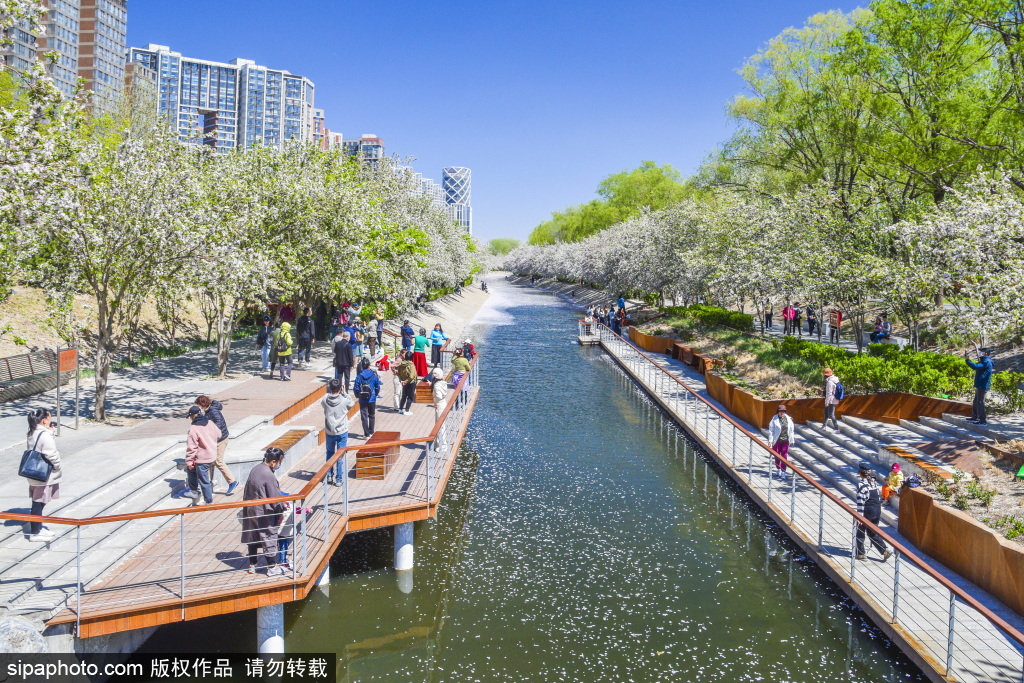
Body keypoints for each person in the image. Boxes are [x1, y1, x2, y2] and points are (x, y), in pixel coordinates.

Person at [242, 448, 288, 576]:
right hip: (264, 511)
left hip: (251, 509)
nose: (279, 464)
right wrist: (281, 512)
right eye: (279, 461)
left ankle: (252, 564)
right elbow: (275, 498)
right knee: (268, 536)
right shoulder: (268, 475)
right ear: (273, 462)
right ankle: (272, 567)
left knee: (253, 535)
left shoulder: (256, 468)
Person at [22, 408, 61, 541]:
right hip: (42, 474)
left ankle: (37, 527)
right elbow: (51, 453)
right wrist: (58, 466)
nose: (50, 419)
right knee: (38, 502)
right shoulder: (43, 435)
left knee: (39, 501)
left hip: (33, 472)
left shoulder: (32, 432)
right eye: (49, 417)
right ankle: (36, 532)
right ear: (44, 419)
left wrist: (50, 432)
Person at [195, 396, 237, 496]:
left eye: (199, 406)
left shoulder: (213, 411)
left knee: (218, 461)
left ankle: (232, 482)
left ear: (203, 405)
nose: (199, 408)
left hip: (221, 439)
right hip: (217, 439)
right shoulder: (210, 410)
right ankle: (207, 482)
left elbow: (218, 424)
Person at [855, 461, 892, 561]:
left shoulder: (861, 484)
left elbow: (861, 501)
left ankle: (861, 554)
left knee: (860, 532)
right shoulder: (873, 482)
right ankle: (884, 550)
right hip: (876, 510)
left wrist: (860, 516)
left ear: (860, 473)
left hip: (867, 511)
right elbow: (878, 495)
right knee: (872, 532)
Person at [184, 405, 220, 505]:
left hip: (202, 458)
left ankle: (209, 501)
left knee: (204, 480)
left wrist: (189, 460)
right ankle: (194, 491)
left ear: (193, 416)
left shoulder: (193, 429)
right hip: (211, 455)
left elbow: (192, 448)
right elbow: (219, 434)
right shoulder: (210, 422)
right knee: (191, 470)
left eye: (190, 417)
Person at [322, 379, 355, 486]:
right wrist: (345, 393)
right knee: (340, 456)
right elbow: (352, 403)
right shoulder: (344, 400)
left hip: (329, 431)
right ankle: (339, 479)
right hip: (342, 431)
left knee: (329, 453)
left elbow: (324, 402)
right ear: (341, 388)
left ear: (330, 388)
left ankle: (329, 475)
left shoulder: (325, 400)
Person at [353, 357, 382, 437]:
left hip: (362, 399)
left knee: (364, 416)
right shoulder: (374, 375)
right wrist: (375, 394)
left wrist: (357, 395)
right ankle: (371, 431)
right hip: (372, 398)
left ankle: (366, 433)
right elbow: (377, 387)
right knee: (372, 415)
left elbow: (356, 388)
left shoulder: (359, 376)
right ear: (369, 366)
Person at [965, 347, 994, 425]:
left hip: (983, 385)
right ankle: (975, 417)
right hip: (980, 385)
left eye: (981, 351)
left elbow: (975, 366)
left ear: (985, 353)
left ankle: (982, 421)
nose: (979, 353)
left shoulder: (986, 361)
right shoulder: (984, 360)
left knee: (980, 402)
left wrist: (967, 360)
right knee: (976, 401)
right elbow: (976, 365)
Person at [768, 405, 795, 480]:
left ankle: (783, 471)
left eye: (783, 411)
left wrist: (792, 440)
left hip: (785, 440)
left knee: (784, 456)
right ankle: (778, 468)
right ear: (778, 412)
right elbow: (771, 431)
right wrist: (770, 441)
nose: (782, 413)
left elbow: (791, 430)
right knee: (776, 455)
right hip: (776, 441)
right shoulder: (774, 419)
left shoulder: (789, 419)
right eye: (780, 411)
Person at [396, 350, 418, 415]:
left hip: (403, 382)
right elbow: (411, 376)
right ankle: (407, 410)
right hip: (411, 382)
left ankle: (400, 409)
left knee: (404, 396)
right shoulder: (411, 365)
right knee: (410, 396)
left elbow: (398, 373)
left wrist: (402, 381)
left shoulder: (401, 364)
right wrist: (406, 381)